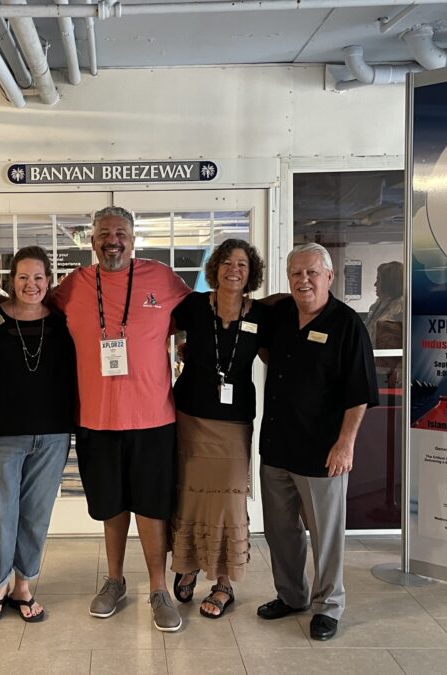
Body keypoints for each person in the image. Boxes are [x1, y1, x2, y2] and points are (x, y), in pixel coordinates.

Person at [52, 206, 192, 632]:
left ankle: (159, 589)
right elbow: (31, 306)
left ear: (133, 239)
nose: (112, 241)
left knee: (151, 508)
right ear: (92, 240)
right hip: (96, 419)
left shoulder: (162, 278)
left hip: (153, 418)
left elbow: (200, 316)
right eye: (104, 234)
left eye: (120, 234)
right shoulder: (72, 286)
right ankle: (115, 581)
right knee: (111, 507)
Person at [257, 242, 378, 641]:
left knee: (325, 537)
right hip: (277, 446)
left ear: (330, 276)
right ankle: (291, 596)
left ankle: (328, 606)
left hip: (322, 451)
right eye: (296, 273)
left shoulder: (347, 325)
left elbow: (359, 393)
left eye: (312, 272)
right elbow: (260, 335)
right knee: (280, 532)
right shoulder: (280, 315)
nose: (304, 280)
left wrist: (346, 444)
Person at [0, 246, 76, 624]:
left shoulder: (64, 322)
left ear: (49, 281)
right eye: (22, 277)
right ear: (11, 280)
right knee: (1, 514)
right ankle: (0, 583)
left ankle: (24, 585)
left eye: (38, 277)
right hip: (0, 433)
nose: (31, 284)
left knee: (36, 515)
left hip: (52, 433)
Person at [170, 239, 267, 619]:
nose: (233, 270)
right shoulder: (194, 306)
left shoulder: (261, 314)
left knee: (229, 502)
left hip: (234, 423)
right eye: (226, 262)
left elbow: (281, 357)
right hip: (190, 417)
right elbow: (153, 331)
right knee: (190, 498)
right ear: (215, 268)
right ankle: (188, 564)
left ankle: (224, 582)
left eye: (242, 264)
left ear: (251, 272)